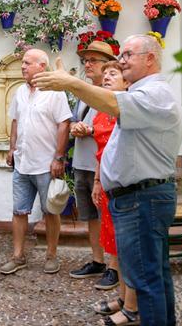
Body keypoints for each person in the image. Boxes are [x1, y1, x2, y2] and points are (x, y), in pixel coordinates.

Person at [33, 35, 182, 326]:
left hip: (142, 198)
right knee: (152, 275)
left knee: (146, 278)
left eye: (128, 54)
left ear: (150, 59)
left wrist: (72, 83)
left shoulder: (153, 94)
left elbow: (113, 103)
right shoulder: (145, 92)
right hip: (138, 197)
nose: (122, 59)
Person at [0, 49, 72, 276]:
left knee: (50, 211)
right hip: (22, 163)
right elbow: (15, 122)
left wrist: (59, 157)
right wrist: (12, 149)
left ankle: (51, 256)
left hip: (46, 164)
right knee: (19, 211)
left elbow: (64, 124)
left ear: (42, 66)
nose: (23, 66)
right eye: (22, 62)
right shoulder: (20, 91)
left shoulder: (55, 92)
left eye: (28, 63)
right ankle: (18, 256)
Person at [67, 40, 120, 291]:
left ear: (107, 65)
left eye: (93, 61)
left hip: (105, 166)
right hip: (82, 162)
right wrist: (75, 128)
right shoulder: (83, 92)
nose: (87, 64)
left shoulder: (114, 93)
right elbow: (74, 121)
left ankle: (114, 267)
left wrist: (90, 129)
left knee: (109, 216)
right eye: (85, 60)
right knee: (90, 215)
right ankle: (97, 261)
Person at [91, 61, 139, 326]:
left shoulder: (127, 108)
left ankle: (131, 306)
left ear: (127, 81)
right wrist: (98, 180)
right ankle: (122, 298)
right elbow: (104, 150)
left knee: (127, 246)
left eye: (113, 73)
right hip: (108, 182)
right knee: (113, 242)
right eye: (105, 73)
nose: (106, 76)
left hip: (125, 183)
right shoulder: (102, 108)